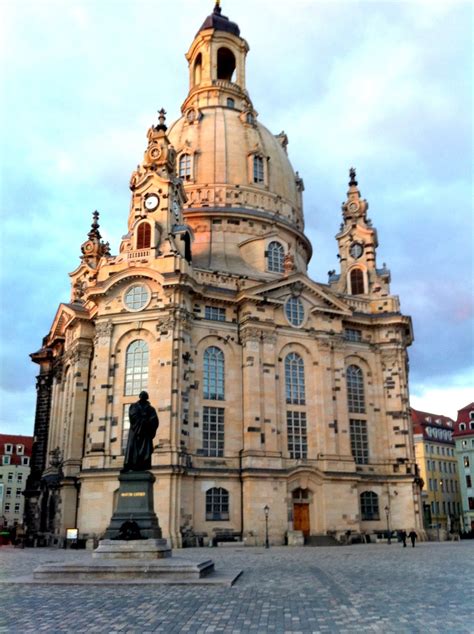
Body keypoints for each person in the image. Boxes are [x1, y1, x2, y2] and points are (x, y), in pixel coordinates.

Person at [123, 391, 159, 471]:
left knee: (144, 452)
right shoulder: (134, 406)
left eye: (144, 396)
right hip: (135, 432)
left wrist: (147, 423)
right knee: (133, 449)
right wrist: (142, 422)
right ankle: (130, 465)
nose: (143, 397)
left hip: (146, 433)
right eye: (142, 396)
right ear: (140, 397)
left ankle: (142, 465)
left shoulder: (151, 409)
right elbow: (133, 416)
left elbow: (154, 420)